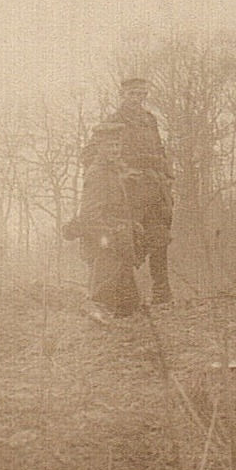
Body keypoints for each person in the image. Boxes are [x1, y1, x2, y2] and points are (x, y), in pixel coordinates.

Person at [62, 122, 143, 321]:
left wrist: (130, 226)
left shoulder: (114, 170)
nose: (115, 150)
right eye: (109, 146)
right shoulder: (97, 173)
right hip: (106, 244)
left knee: (129, 306)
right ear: (99, 146)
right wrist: (108, 237)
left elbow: (117, 206)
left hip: (119, 240)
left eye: (117, 145)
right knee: (102, 300)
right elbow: (90, 214)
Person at [105, 77, 173, 304]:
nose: (137, 99)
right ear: (123, 95)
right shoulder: (113, 122)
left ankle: (162, 295)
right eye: (132, 94)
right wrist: (123, 172)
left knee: (160, 240)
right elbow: (98, 155)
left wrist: (167, 175)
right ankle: (125, 297)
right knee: (128, 243)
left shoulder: (149, 120)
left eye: (141, 95)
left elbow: (160, 149)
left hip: (154, 189)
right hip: (130, 193)